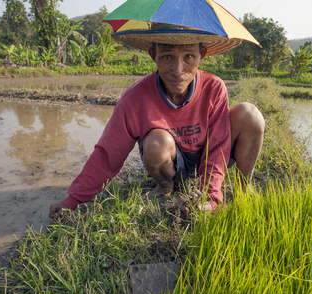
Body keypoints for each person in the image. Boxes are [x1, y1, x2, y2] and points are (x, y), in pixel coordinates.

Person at [49, 24, 265, 220]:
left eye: (189, 56)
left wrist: (211, 196)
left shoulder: (214, 88)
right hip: (172, 165)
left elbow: (218, 146)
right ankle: (166, 187)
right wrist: (72, 200)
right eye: (167, 57)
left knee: (250, 114)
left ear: (202, 54)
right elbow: (107, 155)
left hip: (205, 156)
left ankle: (244, 188)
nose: (178, 71)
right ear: (154, 55)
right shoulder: (135, 99)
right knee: (155, 143)